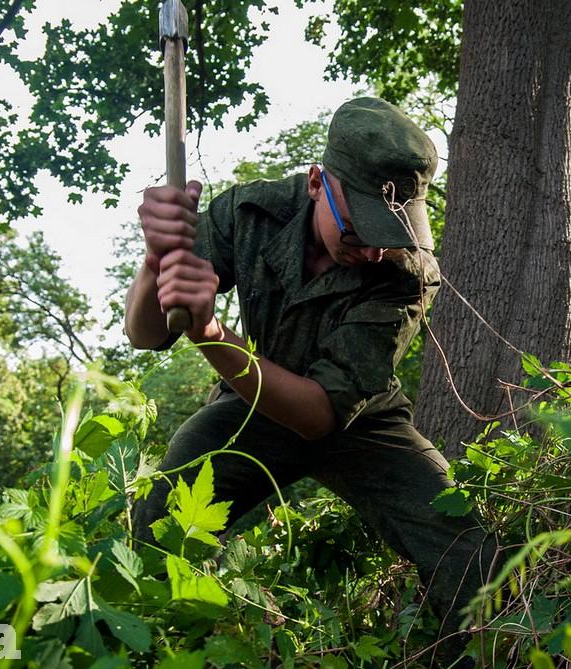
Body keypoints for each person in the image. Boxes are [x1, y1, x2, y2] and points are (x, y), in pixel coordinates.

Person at [125, 97, 498, 659]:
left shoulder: (408, 275)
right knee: (161, 522)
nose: (373, 249)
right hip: (249, 411)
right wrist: (156, 259)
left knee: (469, 551)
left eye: (390, 232)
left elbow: (319, 415)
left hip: (362, 424)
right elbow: (146, 334)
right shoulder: (248, 212)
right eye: (358, 228)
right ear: (317, 182)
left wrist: (211, 334)